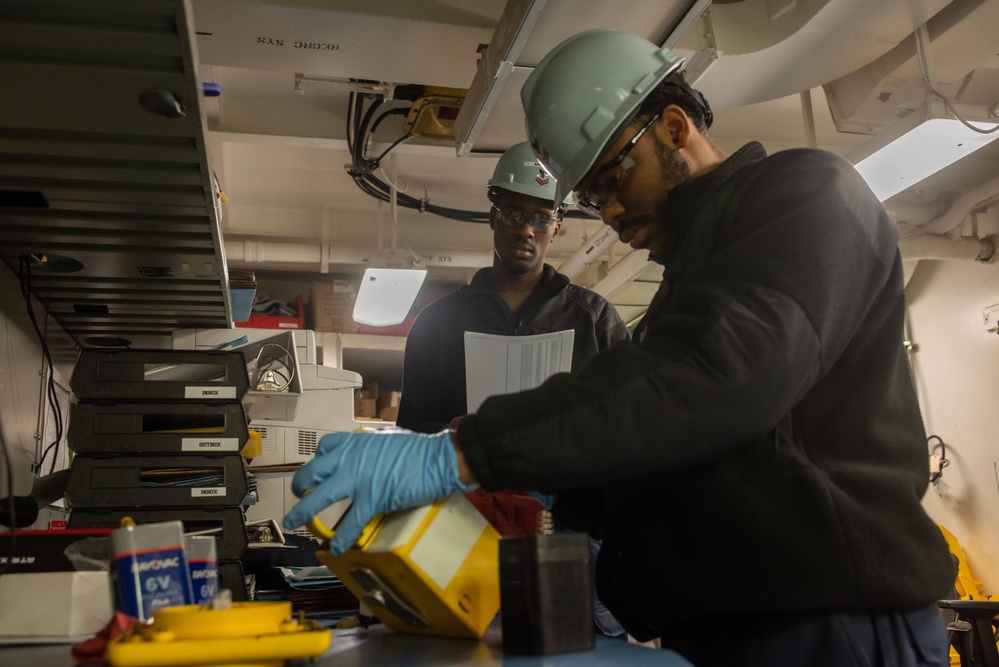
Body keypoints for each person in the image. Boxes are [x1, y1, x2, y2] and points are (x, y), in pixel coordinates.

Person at [285, 29, 955, 666]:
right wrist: (539, 491)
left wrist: (466, 452)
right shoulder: (688, 284)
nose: (605, 213)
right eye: (588, 198)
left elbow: (718, 373)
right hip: (723, 627)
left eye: (610, 180)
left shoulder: (806, 195)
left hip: (831, 628)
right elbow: (682, 451)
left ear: (671, 126)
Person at [394, 141, 630, 539]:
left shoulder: (594, 320)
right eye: (514, 213)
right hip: (465, 524)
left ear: (556, 228)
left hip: (570, 525)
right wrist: (450, 431)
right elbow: (408, 435)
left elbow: (628, 429)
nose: (526, 228)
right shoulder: (437, 323)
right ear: (493, 218)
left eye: (541, 218)